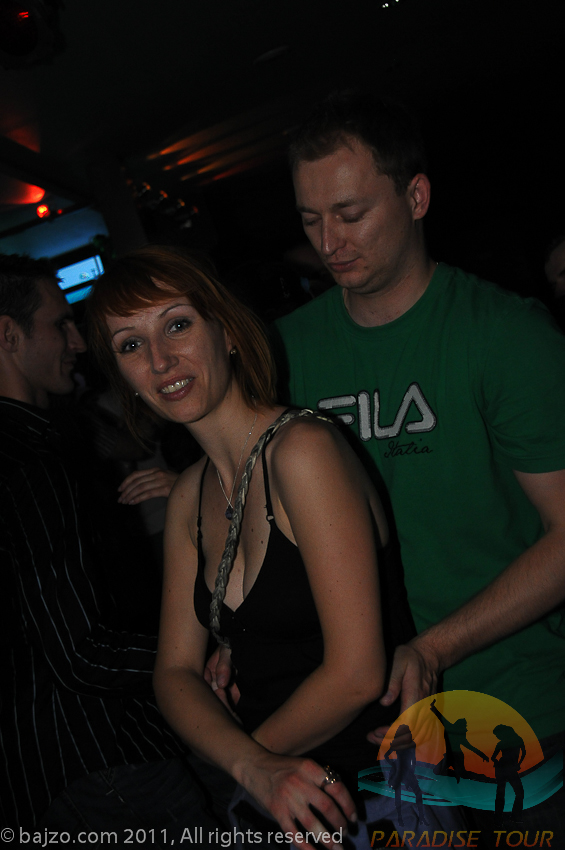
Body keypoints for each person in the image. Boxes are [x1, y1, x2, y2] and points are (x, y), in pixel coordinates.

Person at [87, 244, 462, 848]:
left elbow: (357, 674)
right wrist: (250, 766)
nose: (159, 360)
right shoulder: (189, 496)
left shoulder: (303, 451)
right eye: (130, 345)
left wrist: (244, 762)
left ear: (228, 332)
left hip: (373, 802)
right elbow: (174, 674)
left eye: (177, 325)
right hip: (278, 804)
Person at [271, 90, 565, 837]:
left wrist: (432, 648)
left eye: (349, 213)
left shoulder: (506, 334)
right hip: (373, 728)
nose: (329, 241)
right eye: (310, 219)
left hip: (517, 708)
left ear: (416, 196)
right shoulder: (284, 351)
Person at [0, 254, 219, 841]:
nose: (77, 343)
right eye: (60, 325)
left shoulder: (39, 444)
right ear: (8, 335)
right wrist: (199, 656)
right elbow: (80, 653)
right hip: (97, 752)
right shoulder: (27, 461)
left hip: (46, 763)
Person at [429, 699, 489, 784]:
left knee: (463, 774)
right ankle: (456, 775)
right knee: (437, 771)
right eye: (465, 726)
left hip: (457, 757)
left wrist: (482, 755)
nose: (465, 728)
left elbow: (470, 747)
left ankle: (482, 777)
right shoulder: (451, 728)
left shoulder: (458, 734)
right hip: (450, 756)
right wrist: (433, 708)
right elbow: (441, 717)